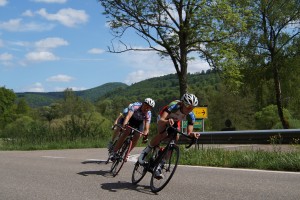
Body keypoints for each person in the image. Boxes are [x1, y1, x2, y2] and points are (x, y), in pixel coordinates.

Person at [138, 93, 200, 179]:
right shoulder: (174, 106)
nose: (189, 109)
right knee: (163, 134)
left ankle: (160, 164)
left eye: (192, 107)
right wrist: (167, 121)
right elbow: (162, 120)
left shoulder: (191, 115)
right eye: (188, 106)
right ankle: (145, 151)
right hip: (163, 118)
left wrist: (193, 134)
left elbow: (189, 132)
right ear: (182, 103)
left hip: (174, 122)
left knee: (175, 139)